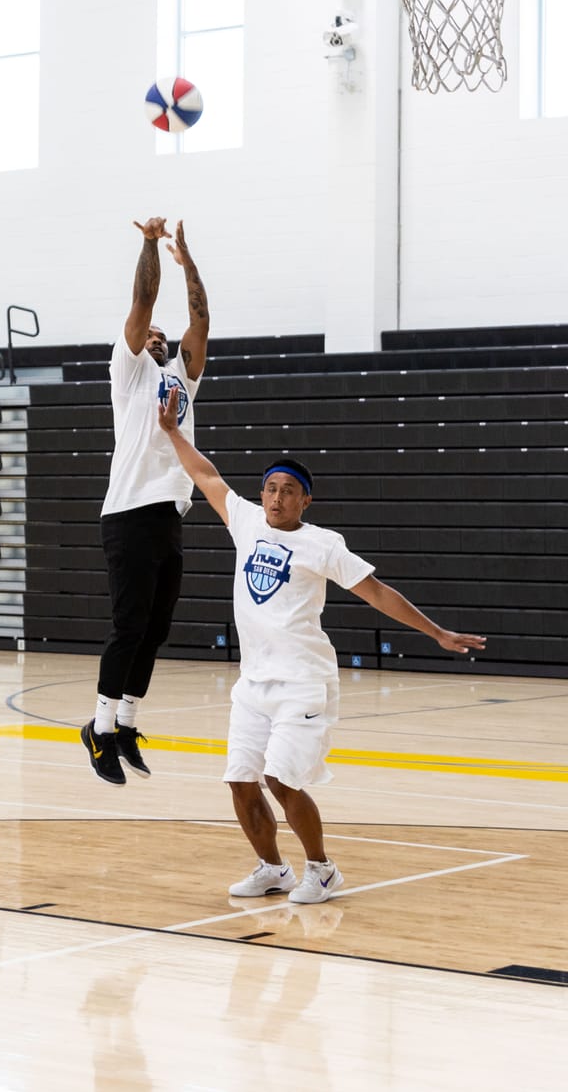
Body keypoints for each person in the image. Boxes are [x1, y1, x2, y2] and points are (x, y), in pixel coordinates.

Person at [156, 385, 486, 902]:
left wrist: (437, 632)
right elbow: (206, 476)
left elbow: (377, 592)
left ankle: (323, 869)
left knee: (280, 781)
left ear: (305, 499)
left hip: (304, 682)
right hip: (253, 684)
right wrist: (173, 432)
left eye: (288, 490)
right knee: (241, 782)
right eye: (270, 488)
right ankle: (272, 869)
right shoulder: (244, 521)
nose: (277, 497)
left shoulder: (323, 544)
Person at [82, 217, 210, 785]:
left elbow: (201, 319)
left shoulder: (184, 376)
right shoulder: (129, 373)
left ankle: (127, 722)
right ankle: (99, 728)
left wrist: (189, 261)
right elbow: (142, 297)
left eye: (163, 336)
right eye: (151, 334)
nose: (157, 337)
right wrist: (149, 242)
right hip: (128, 512)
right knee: (128, 626)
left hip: (168, 513)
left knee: (156, 630)